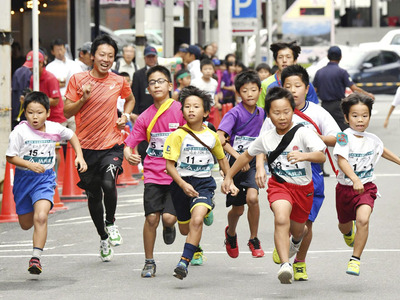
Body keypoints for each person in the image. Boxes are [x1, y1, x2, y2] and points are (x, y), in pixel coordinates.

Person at [222, 87, 326, 284]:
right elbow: (246, 156)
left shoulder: (303, 133)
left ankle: (296, 241)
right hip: (280, 186)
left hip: (303, 189)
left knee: (298, 230)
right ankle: (285, 265)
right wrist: (228, 176)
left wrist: (304, 155)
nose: (282, 117)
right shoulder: (266, 137)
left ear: (293, 111)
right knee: (280, 217)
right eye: (276, 113)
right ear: (268, 114)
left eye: (286, 111)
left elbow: (321, 155)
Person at [260, 65, 341, 281]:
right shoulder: (275, 114)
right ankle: (284, 252)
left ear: (307, 88)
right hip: (283, 175)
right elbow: (260, 144)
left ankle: (300, 262)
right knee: (282, 216)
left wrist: (314, 139)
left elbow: (341, 139)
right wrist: (260, 167)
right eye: (288, 86)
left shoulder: (317, 112)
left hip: (311, 174)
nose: (293, 90)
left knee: (306, 224)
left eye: (298, 86)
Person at [64, 34, 135, 262]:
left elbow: (130, 99)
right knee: (93, 196)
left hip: (111, 144)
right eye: (102, 55)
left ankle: (111, 223)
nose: (106, 59)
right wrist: (83, 98)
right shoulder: (78, 80)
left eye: (111, 56)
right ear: (92, 56)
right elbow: (66, 112)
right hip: (86, 149)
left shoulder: (118, 81)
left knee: (108, 181)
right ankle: (103, 237)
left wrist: (124, 115)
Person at [6, 91, 87, 275]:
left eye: (39, 112)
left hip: (45, 179)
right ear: (25, 113)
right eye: (31, 112)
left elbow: (72, 135)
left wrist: (80, 157)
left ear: (48, 113)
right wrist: (29, 165)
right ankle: (34, 221)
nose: (35, 117)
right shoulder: (19, 131)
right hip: (24, 178)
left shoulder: (54, 127)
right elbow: (10, 157)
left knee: (41, 216)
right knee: (26, 224)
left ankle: (36, 258)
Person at [163, 85, 233, 280]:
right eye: (187, 106)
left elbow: (222, 159)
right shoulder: (177, 135)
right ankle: (196, 240)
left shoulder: (211, 137)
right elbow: (170, 166)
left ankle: (183, 262)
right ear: (182, 111)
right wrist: (183, 185)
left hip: (203, 184)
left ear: (206, 111)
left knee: (197, 219)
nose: (191, 110)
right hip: (181, 184)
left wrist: (228, 179)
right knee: (185, 228)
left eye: (196, 106)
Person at [124, 65, 186, 278]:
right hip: (152, 174)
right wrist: (128, 153)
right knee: (152, 218)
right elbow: (130, 142)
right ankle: (149, 261)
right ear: (148, 89)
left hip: (177, 175)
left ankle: (169, 227)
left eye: (161, 81)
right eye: (152, 82)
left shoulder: (181, 110)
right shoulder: (144, 117)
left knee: (168, 219)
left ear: (170, 85)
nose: (156, 85)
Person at [333, 93, 400, 276]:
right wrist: (354, 179)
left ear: (370, 116)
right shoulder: (343, 137)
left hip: (366, 188)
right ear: (346, 118)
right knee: (344, 226)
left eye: (364, 115)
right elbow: (342, 160)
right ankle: (348, 234)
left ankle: (355, 259)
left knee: (363, 219)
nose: (360, 120)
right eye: (355, 116)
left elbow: (382, 150)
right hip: (345, 189)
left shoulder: (372, 139)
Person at [217, 71, 266, 259]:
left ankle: (254, 239)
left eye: (254, 90)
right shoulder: (234, 113)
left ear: (260, 91)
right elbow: (221, 139)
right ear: (239, 93)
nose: (250, 94)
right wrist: (239, 157)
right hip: (235, 165)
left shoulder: (262, 114)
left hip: (253, 163)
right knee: (238, 209)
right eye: (245, 91)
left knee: (253, 198)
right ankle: (231, 233)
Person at [313, 46, 375, 131]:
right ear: (340, 57)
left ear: (327, 56)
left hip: (324, 106)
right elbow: (354, 88)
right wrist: (368, 94)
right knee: (346, 131)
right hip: (338, 106)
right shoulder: (342, 72)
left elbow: (313, 91)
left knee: (325, 130)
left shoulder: (319, 72)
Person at [257, 41, 319, 109]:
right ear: (276, 61)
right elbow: (261, 112)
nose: (284, 60)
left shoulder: (305, 84)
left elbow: (314, 110)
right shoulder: (265, 84)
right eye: (280, 57)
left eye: (288, 57)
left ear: (295, 61)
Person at [131, 45, 159, 164]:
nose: (151, 59)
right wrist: (135, 113)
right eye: (149, 57)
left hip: (159, 110)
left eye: (153, 56)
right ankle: (144, 162)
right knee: (143, 139)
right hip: (143, 112)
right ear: (144, 58)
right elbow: (135, 94)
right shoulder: (138, 74)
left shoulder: (162, 72)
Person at [25, 51, 66, 125]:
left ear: (41, 63)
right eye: (30, 67)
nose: (31, 69)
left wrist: (38, 99)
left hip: (55, 118)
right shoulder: (32, 78)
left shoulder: (50, 78)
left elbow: (55, 101)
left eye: (32, 67)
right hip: (41, 118)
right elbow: (31, 94)